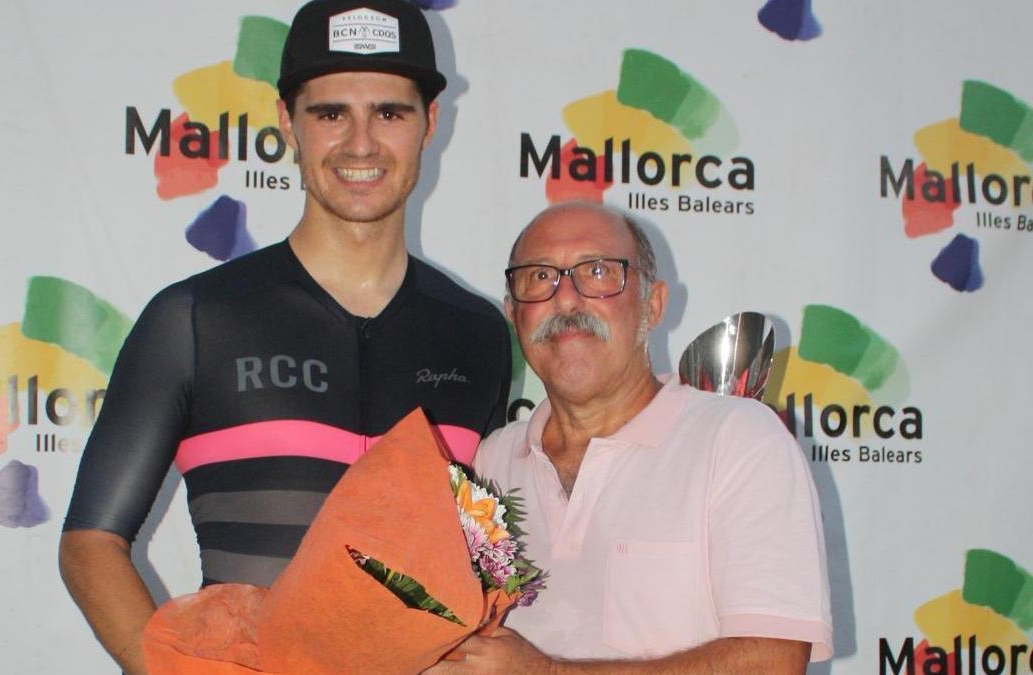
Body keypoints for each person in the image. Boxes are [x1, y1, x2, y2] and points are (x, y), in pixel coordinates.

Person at [59, 2, 511, 673]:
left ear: (430, 124)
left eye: (390, 112)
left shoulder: (478, 334)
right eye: (331, 113)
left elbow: (480, 553)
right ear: (286, 124)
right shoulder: (196, 317)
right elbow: (90, 542)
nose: (361, 143)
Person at [431, 201, 831, 674]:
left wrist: (546, 673)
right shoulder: (493, 461)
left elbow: (772, 663)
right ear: (513, 314)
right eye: (540, 277)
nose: (566, 299)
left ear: (654, 303)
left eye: (598, 272)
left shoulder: (739, 441)